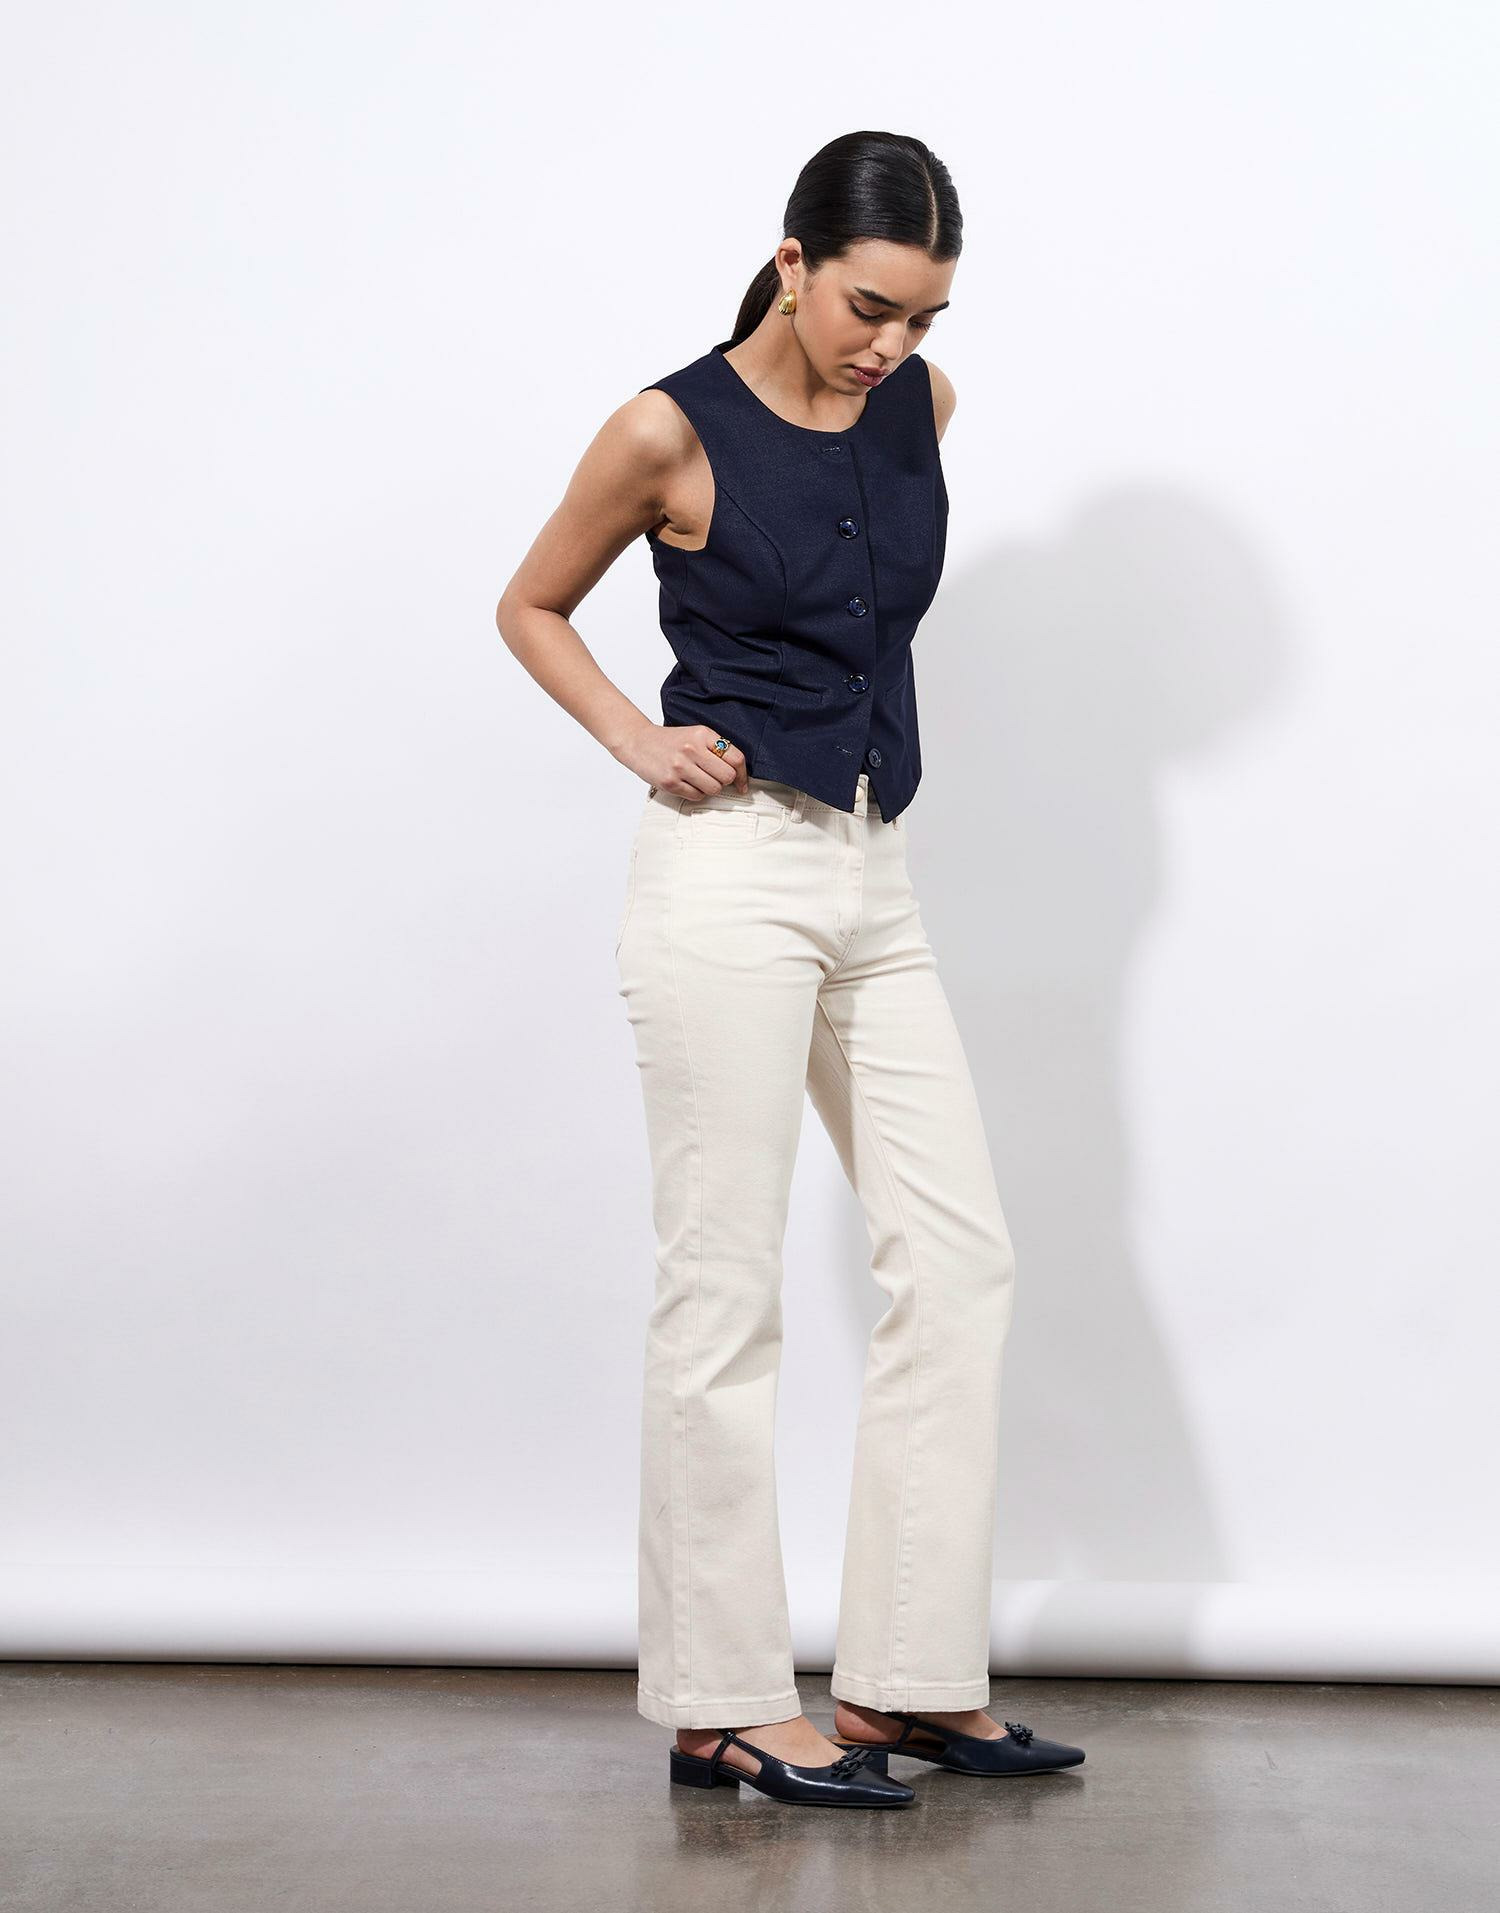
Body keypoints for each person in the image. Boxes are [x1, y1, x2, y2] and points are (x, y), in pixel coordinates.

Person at [497, 130, 1085, 1809]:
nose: (892, 343)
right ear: (792, 261)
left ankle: (904, 1675)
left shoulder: (919, 406)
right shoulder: (666, 430)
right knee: (724, 1287)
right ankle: (724, 1702)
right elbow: (532, 603)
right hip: (728, 873)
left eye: (924, 314)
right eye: (869, 306)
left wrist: (906, 366)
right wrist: (640, 738)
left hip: (872, 868)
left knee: (957, 1258)